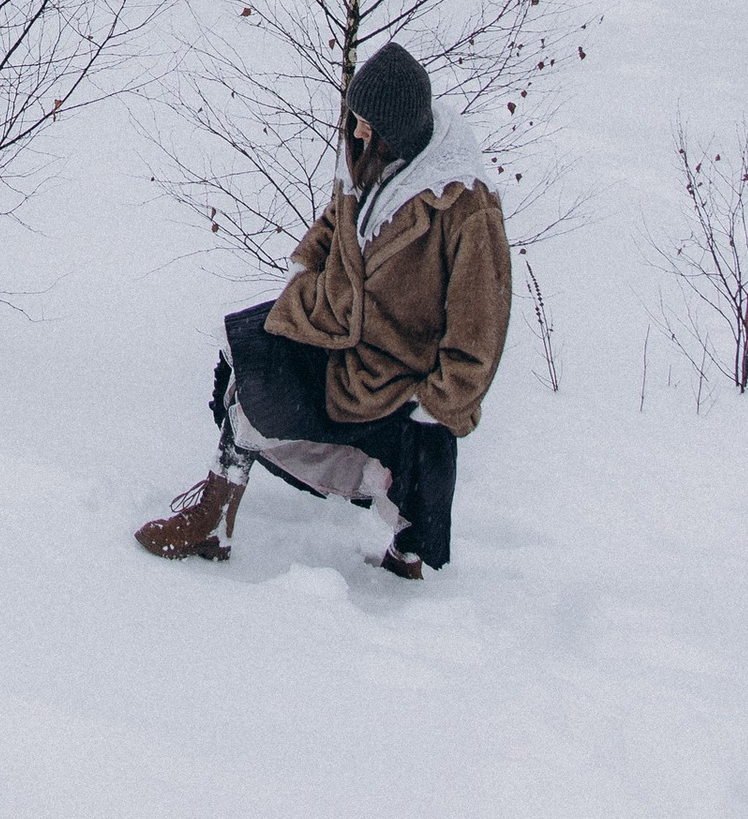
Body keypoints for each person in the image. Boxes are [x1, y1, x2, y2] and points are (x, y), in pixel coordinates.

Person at [135, 41, 512, 580]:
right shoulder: (368, 156)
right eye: (355, 119)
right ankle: (214, 518)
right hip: (330, 328)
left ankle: (403, 561)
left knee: (413, 472)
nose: (355, 132)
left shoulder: (465, 206)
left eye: (367, 125)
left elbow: (482, 327)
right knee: (254, 367)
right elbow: (333, 223)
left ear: (399, 129)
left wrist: (436, 402)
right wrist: (303, 270)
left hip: (394, 376)